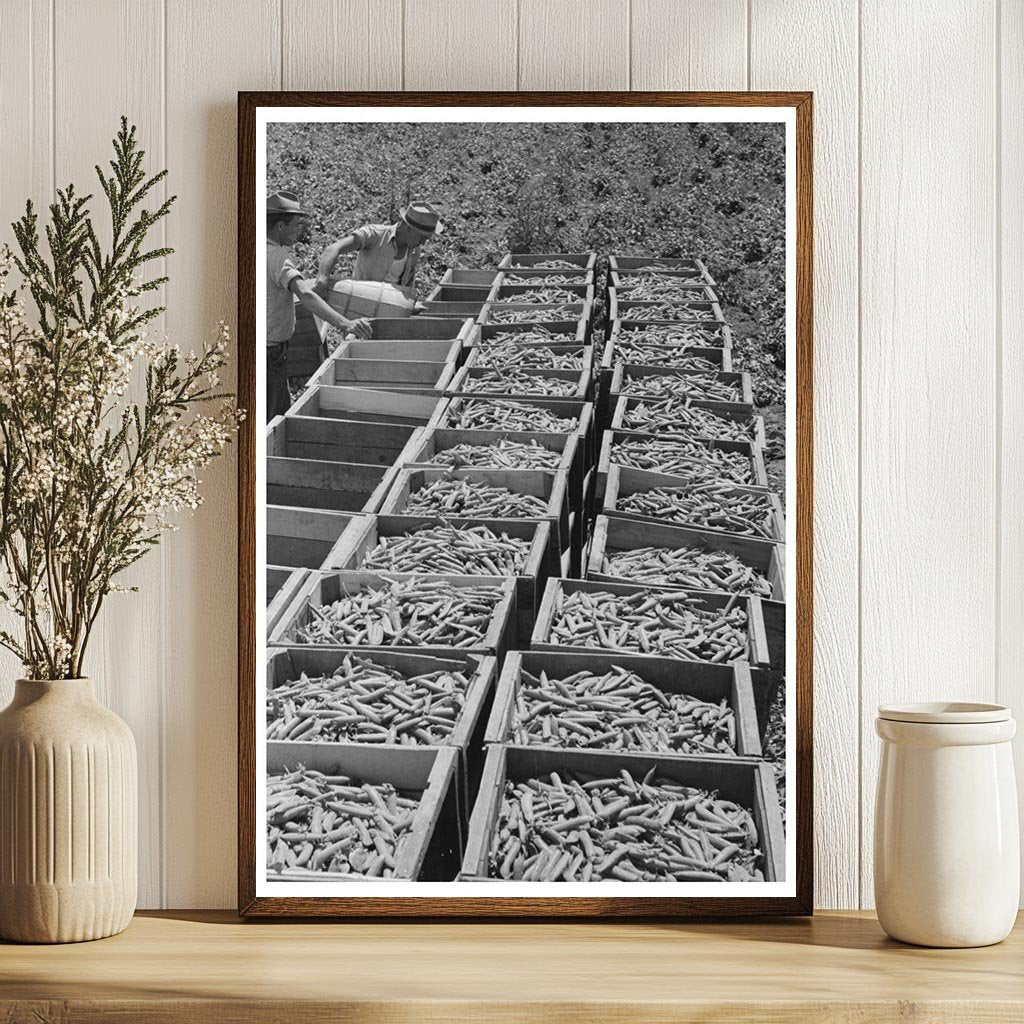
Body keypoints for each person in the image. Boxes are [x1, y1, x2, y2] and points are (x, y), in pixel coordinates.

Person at [266, 191, 371, 421]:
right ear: (281, 226)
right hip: (270, 351)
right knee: (275, 417)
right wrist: (344, 323)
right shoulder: (277, 257)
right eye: (296, 225)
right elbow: (304, 293)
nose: (299, 231)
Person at [314, 201, 445, 301]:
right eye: (422, 237)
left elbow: (407, 286)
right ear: (409, 228)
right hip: (360, 302)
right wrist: (322, 278)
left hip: (390, 307)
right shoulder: (374, 235)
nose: (423, 242)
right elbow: (333, 249)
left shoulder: (414, 251)